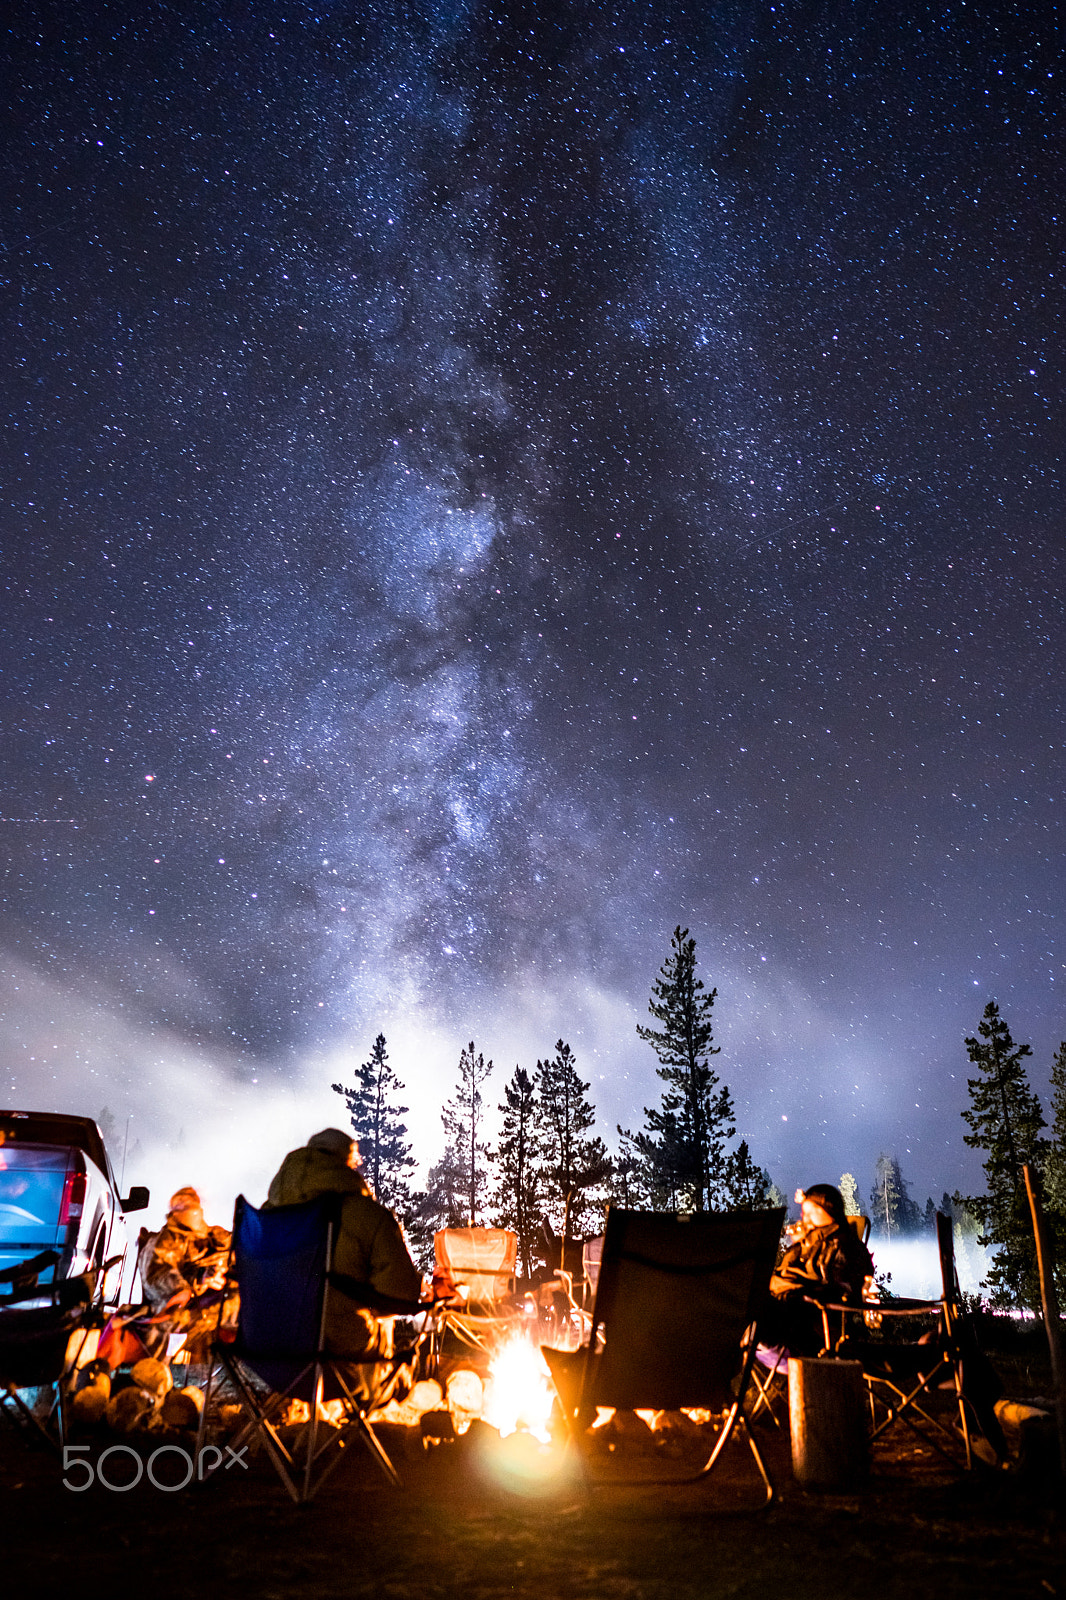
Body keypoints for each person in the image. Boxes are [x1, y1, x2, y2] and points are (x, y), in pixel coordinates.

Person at [263, 1128, 422, 1365]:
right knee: (382, 1323)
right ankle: (376, 1393)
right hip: (339, 1356)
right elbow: (399, 1295)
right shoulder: (367, 1215)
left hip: (268, 1347)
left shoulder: (266, 1215)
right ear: (347, 1163)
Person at [758, 1182, 875, 1360]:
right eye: (804, 1213)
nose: (805, 1218)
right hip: (786, 1315)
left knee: (746, 1313)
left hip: (810, 1327)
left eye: (811, 1212)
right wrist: (799, 1246)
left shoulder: (844, 1246)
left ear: (828, 1210)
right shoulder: (807, 1243)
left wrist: (791, 1290)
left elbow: (840, 1291)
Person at [129, 1186, 235, 1364]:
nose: (188, 1207)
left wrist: (221, 1270)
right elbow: (157, 1272)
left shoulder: (216, 1237)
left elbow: (239, 1253)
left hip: (224, 1304)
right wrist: (195, 1283)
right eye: (183, 1204)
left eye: (191, 1202)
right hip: (184, 1308)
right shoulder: (165, 1240)